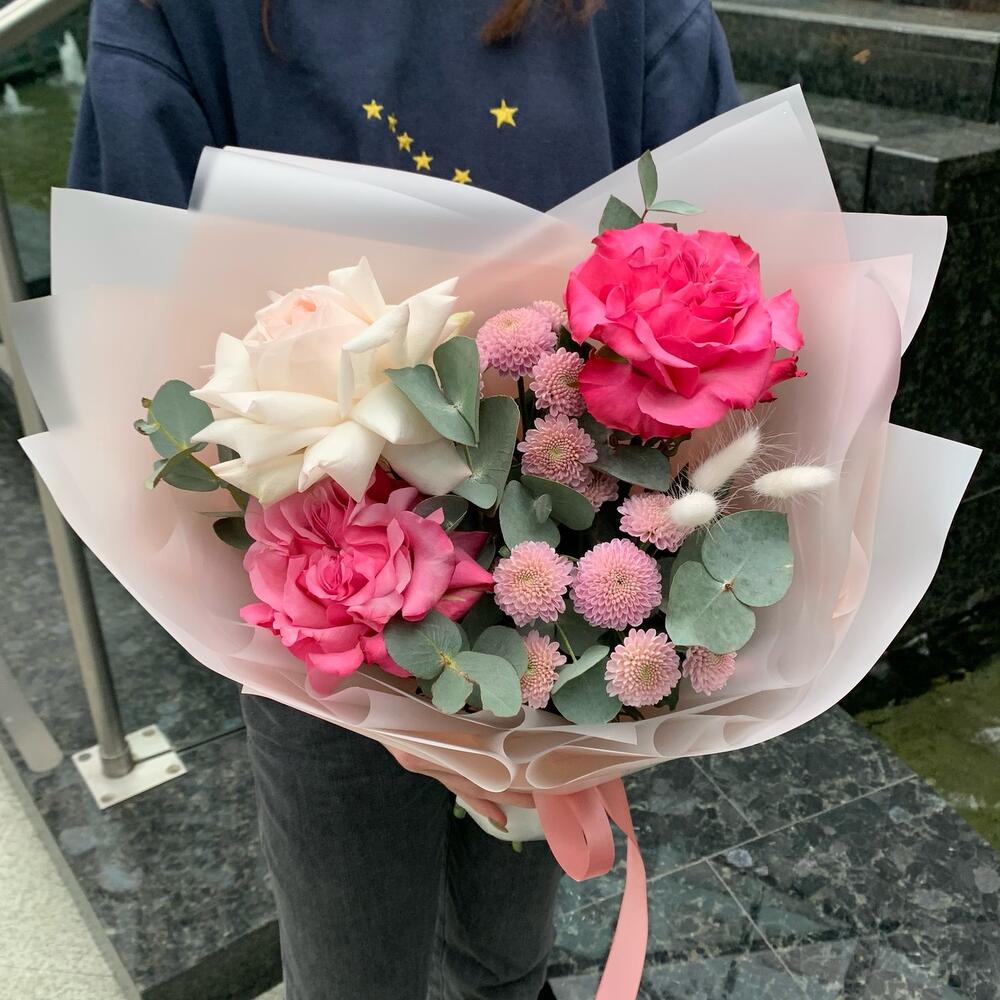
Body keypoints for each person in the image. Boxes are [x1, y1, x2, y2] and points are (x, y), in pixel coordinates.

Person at [69, 2, 740, 997]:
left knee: (474, 956)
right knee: (388, 962)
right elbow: (131, 333)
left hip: (553, 608)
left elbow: (725, 288)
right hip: (328, 618)